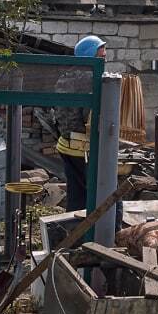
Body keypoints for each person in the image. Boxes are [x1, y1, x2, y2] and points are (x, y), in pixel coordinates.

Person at [55, 35, 106, 211]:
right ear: (90, 55)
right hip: (83, 147)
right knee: (102, 193)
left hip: (65, 144)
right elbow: (89, 117)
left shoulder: (65, 76)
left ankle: (74, 232)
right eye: (101, 55)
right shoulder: (90, 78)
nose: (105, 56)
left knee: (76, 193)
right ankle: (105, 233)